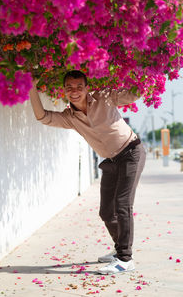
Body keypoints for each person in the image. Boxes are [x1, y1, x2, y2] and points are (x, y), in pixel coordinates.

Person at [29, 70, 146, 275]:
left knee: (122, 203)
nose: (75, 92)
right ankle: (120, 249)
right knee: (106, 212)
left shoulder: (105, 97)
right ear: (64, 90)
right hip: (111, 160)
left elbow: (135, 93)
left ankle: (125, 259)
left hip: (131, 152)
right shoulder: (70, 117)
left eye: (79, 87)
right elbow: (43, 117)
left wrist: (145, 72)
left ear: (86, 87)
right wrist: (31, 87)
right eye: (70, 88)